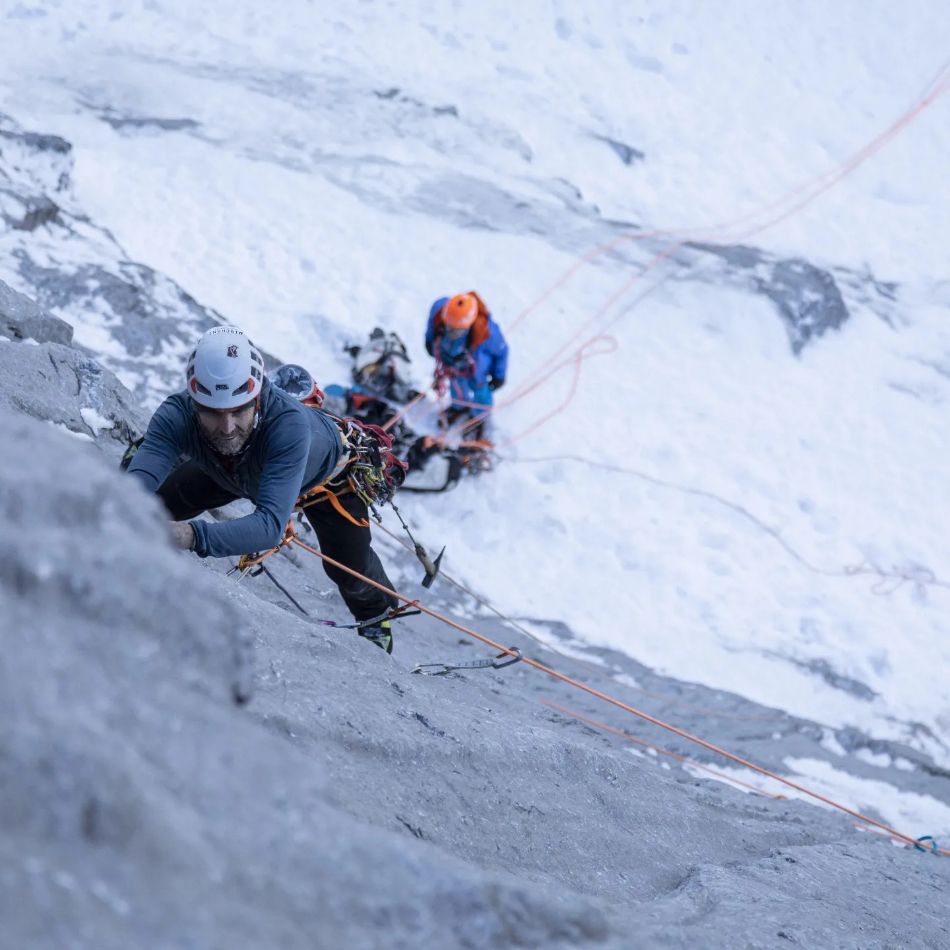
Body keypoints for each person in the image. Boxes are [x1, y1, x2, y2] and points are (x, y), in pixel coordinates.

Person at [124, 326, 399, 653]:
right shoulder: (177, 414)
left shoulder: (289, 425)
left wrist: (190, 536)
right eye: (213, 412)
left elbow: (269, 526)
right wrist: (122, 502)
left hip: (328, 483)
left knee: (350, 569)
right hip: (232, 471)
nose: (227, 428)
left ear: (257, 396)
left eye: (239, 410)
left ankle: (375, 617)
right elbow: (138, 481)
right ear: (195, 401)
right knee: (160, 506)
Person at [425, 292, 508, 436]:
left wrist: (499, 375)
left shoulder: (486, 331)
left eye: (456, 330)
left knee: (481, 394)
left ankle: (478, 417)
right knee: (457, 387)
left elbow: (502, 351)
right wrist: (429, 340)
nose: (450, 332)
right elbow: (432, 325)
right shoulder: (439, 310)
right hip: (452, 365)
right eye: (448, 327)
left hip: (476, 372)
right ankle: (458, 407)